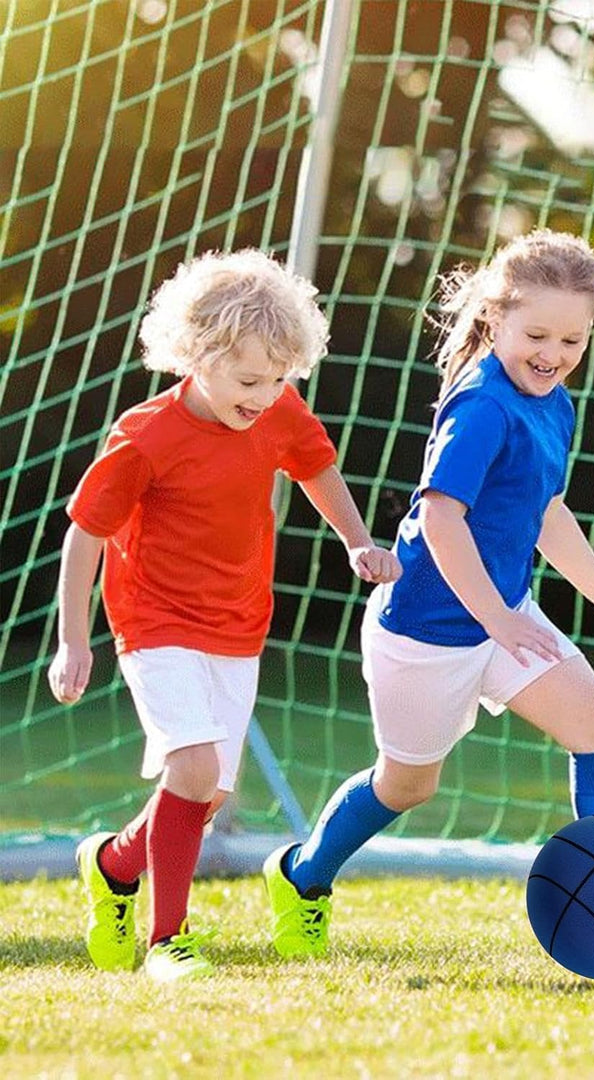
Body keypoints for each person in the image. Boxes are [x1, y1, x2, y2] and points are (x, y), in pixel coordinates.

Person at [262, 229, 594, 962]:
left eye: (572, 338)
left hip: (503, 618)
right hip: (427, 633)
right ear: (496, 318)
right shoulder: (480, 404)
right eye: (536, 333)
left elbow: (545, 510)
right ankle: (303, 876)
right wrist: (497, 619)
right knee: (407, 786)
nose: (553, 352)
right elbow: (441, 518)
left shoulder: (553, 401)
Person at [47, 249, 401, 982]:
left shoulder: (277, 409)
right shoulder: (145, 438)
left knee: (203, 794)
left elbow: (314, 466)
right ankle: (167, 943)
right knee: (194, 766)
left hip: (239, 624)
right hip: (153, 621)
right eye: (249, 379)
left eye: (279, 379)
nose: (266, 395)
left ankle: (114, 865)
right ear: (197, 356)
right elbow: (85, 533)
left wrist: (358, 540)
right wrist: (72, 642)